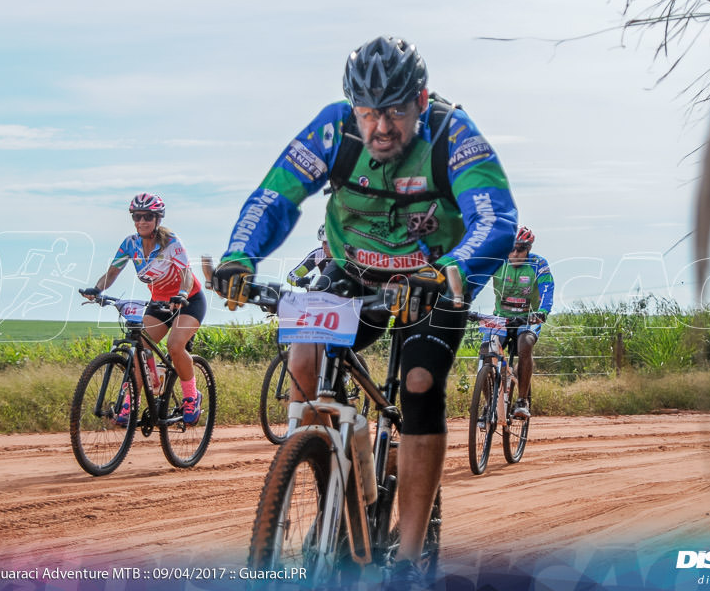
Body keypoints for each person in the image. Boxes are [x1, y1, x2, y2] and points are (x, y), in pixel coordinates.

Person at [210, 36, 517, 588]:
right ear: (353, 105)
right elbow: (274, 196)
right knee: (305, 362)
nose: (380, 126)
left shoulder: (453, 135)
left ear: (420, 100)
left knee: (420, 384)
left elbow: (495, 220)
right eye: (369, 110)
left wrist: (449, 270)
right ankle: (341, 492)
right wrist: (239, 255)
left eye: (395, 110)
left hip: (431, 281)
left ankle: (410, 553)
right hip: (352, 273)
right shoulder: (333, 128)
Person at [83, 193, 207, 424]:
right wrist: (97, 289)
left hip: (188, 301)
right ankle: (133, 401)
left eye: (148, 216)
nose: (142, 221)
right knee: (141, 348)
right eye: (137, 216)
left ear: (157, 218)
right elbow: (111, 273)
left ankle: (191, 396)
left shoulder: (171, 243)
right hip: (159, 304)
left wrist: (181, 294)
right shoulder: (130, 244)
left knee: (175, 346)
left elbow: (186, 275)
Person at [491, 226, 554, 420]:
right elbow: (473, 280)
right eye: (511, 249)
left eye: (520, 249)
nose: (515, 253)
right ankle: (488, 405)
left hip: (529, 317)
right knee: (487, 351)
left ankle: (521, 401)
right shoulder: (497, 261)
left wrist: (543, 311)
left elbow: (547, 289)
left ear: (528, 248)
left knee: (525, 343)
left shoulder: (538, 263)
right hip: (501, 316)